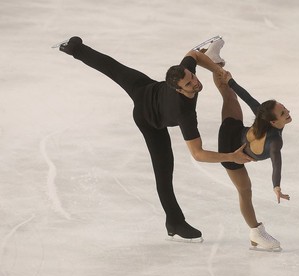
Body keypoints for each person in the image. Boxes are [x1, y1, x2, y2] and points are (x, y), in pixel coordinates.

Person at [57, 36, 252, 243]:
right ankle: (175, 222)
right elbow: (198, 153)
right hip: (149, 120)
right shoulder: (184, 114)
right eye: (189, 83)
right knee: (164, 173)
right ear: (178, 88)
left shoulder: (184, 73)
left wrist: (216, 70)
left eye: (192, 77)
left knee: (112, 67)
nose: (195, 82)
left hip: (145, 88)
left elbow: (193, 54)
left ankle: (74, 48)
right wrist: (231, 156)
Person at [213, 64, 291, 250]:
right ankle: (255, 232)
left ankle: (213, 62)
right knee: (245, 191)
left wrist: (230, 80)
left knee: (227, 92)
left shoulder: (262, 116)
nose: (288, 113)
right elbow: (276, 163)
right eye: (283, 113)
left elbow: (246, 96)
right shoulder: (274, 142)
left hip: (231, 126)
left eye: (285, 109)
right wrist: (276, 186)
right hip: (231, 154)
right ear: (273, 121)